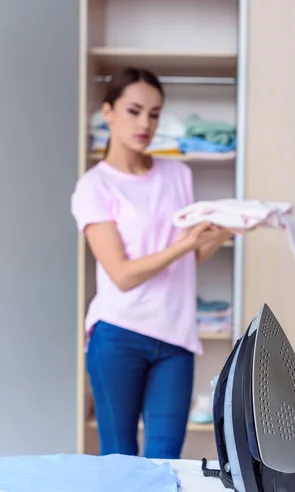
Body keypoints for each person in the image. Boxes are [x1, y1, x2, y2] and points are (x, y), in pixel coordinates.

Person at [71, 67, 234, 459]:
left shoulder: (178, 173)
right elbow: (123, 276)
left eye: (155, 113)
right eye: (134, 110)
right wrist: (184, 245)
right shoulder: (95, 186)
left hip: (175, 337)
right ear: (107, 112)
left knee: (166, 462)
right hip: (118, 335)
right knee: (119, 458)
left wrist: (227, 231)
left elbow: (189, 257)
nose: (146, 123)